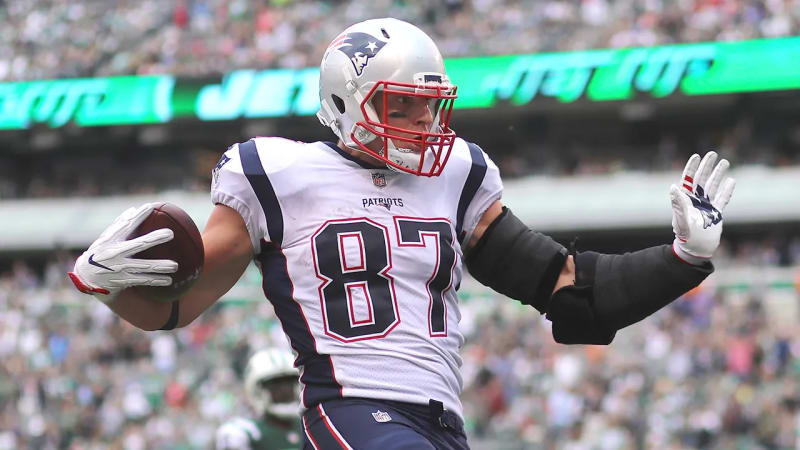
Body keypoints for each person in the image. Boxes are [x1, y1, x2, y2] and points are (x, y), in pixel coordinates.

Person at [68, 18, 736, 449]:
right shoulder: (276, 171)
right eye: (402, 105)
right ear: (344, 103)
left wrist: (682, 258)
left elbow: (573, 295)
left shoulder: (459, 176)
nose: (423, 122)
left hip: (442, 422)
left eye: (430, 104)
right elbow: (176, 306)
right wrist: (103, 284)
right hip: (352, 406)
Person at [216, 348, 303, 450]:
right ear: (257, 391)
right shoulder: (244, 433)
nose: (285, 391)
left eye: (289, 383)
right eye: (275, 384)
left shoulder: (309, 424)